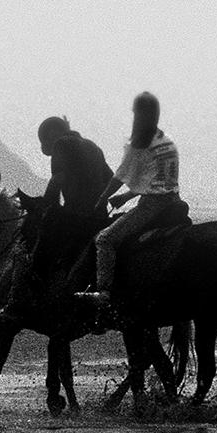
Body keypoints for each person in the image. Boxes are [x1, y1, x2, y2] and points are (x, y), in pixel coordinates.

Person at [0, 116, 111, 323]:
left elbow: (57, 181)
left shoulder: (62, 144)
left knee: (27, 247)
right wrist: (100, 201)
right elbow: (110, 177)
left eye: (44, 140)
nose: (44, 146)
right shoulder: (93, 146)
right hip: (99, 217)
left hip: (75, 217)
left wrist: (44, 206)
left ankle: (16, 303)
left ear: (51, 134)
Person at [77, 93, 184, 307]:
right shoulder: (166, 141)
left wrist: (101, 199)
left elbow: (120, 175)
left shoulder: (140, 142)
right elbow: (155, 179)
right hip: (174, 202)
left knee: (105, 239)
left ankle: (104, 293)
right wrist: (127, 196)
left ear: (138, 114)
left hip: (153, 206)